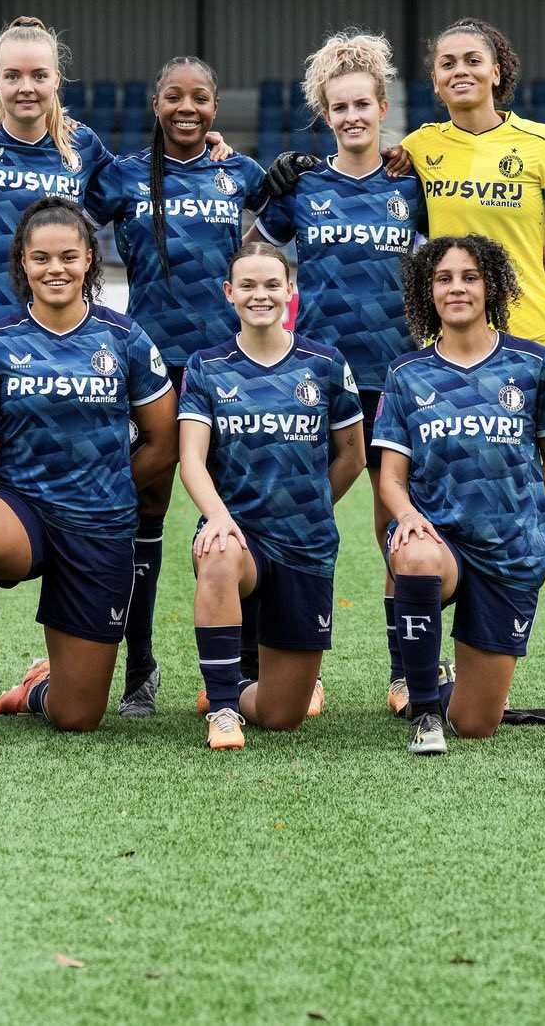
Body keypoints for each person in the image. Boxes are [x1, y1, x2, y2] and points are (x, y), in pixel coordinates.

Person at [386, 17, 545, 720]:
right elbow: (367, 166)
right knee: (433, 505)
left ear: (496, 69)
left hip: (535, 351)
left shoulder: (543, 145)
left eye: (472, 59)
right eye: (445, 60)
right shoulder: (422, 148)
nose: (459, 69)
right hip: (451, 358)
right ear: (432, 79)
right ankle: (426, 665)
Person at [0, 197, 177, 753]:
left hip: (101, 522)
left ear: (90, 259)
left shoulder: (126, 339)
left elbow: (164, 443)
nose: (55, 269)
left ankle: (38, 689)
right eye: (41, 258)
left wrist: (112, 480)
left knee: (78, 717)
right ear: (23, 262)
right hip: (23, 510)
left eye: (68, 255)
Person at [84, 55, 271, 716]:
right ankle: (139, 669)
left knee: (240, 507)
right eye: (173, 96)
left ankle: (246, 669)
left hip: (227, 367)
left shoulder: (239, 172)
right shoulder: (121, 175)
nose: (185, 107)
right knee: (145, 509)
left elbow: (302, 210)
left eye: (198, 98)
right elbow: (59, 216)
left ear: (215, 107)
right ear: (155, 103)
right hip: (147, 370)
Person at [254, 31, 422, 717]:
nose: (351, 116)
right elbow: (254, 254)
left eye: (362, 104)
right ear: (325, 114)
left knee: (395, 526)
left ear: (381, 105)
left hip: (394, 376)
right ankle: (296, 669)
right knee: (298, 523)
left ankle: (406, 669)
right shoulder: (302, 185)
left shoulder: (411, 183)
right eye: (338, 106)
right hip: (315, 379)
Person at [373, 235, 545, 754]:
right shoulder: (405, 374)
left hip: (510, 550)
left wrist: (513, 506)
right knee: (414, 555)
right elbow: (391, 477)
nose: (456, 288)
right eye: (443, 278)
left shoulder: (533, 364)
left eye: (469, 277)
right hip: (440, 542)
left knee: (477, 722)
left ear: (491, 287)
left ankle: (442, 694)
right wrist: (409, 517)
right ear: (428, 292)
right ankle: (422, 712)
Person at [178, 242, 365, 751]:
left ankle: (236, 689)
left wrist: (311, 506)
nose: (260, 295)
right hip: (240, 535)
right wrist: (217, 517)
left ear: (290, 291)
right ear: (229, 293)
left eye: (271, 285)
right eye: (248, 285)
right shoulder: (206, 366)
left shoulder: (325, 364)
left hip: (306, 544)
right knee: (217, 552)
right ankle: (221, 709)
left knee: (284, 716)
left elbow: (352, 456)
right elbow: (191, 459)